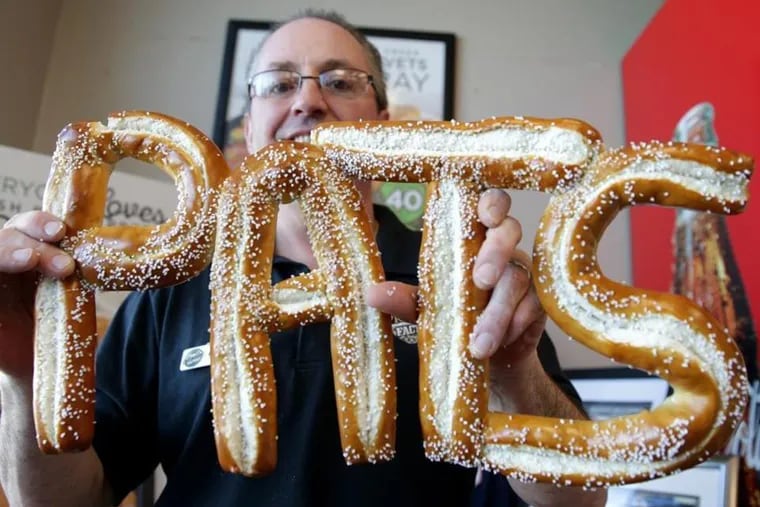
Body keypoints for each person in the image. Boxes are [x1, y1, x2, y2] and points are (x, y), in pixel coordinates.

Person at [0, 10, 606, 507]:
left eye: (341, 81)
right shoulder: (172, 285)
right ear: (250, 127)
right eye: (279, 82)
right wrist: (26, 374)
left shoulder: (469, 276)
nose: (308, 100)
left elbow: (580, 502)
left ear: (384, 124)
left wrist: (512, 373)